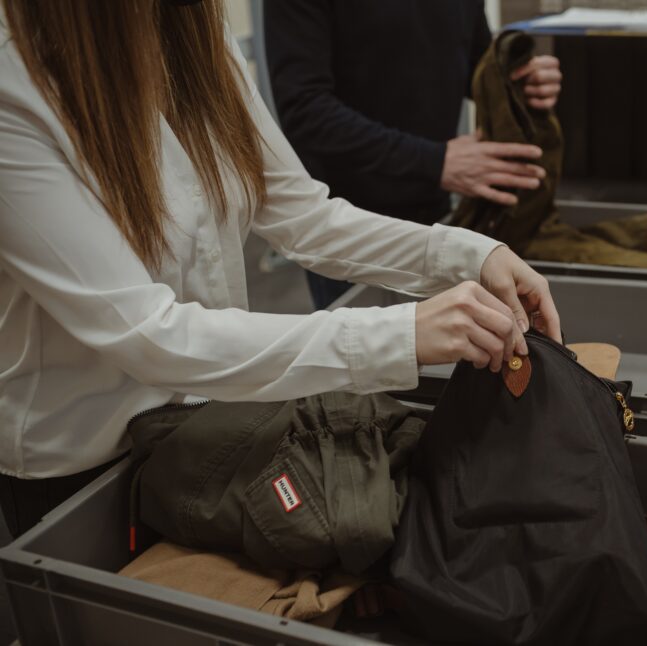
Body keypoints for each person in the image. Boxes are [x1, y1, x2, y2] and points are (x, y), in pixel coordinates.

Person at [0, 0, 560, 539]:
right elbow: (148, 331)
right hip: (84, 462)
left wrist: (470, 254)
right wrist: (401, 333)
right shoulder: (15, 87)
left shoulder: (188, 31)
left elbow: (304, 216)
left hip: (205, 422)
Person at [264, 0, 563, 308]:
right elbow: (305, 110)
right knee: (367, 352)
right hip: (346, 229)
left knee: (444, 349)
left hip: (435, 215)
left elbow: (475, 66)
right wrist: (436, 161)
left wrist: (519, 82)